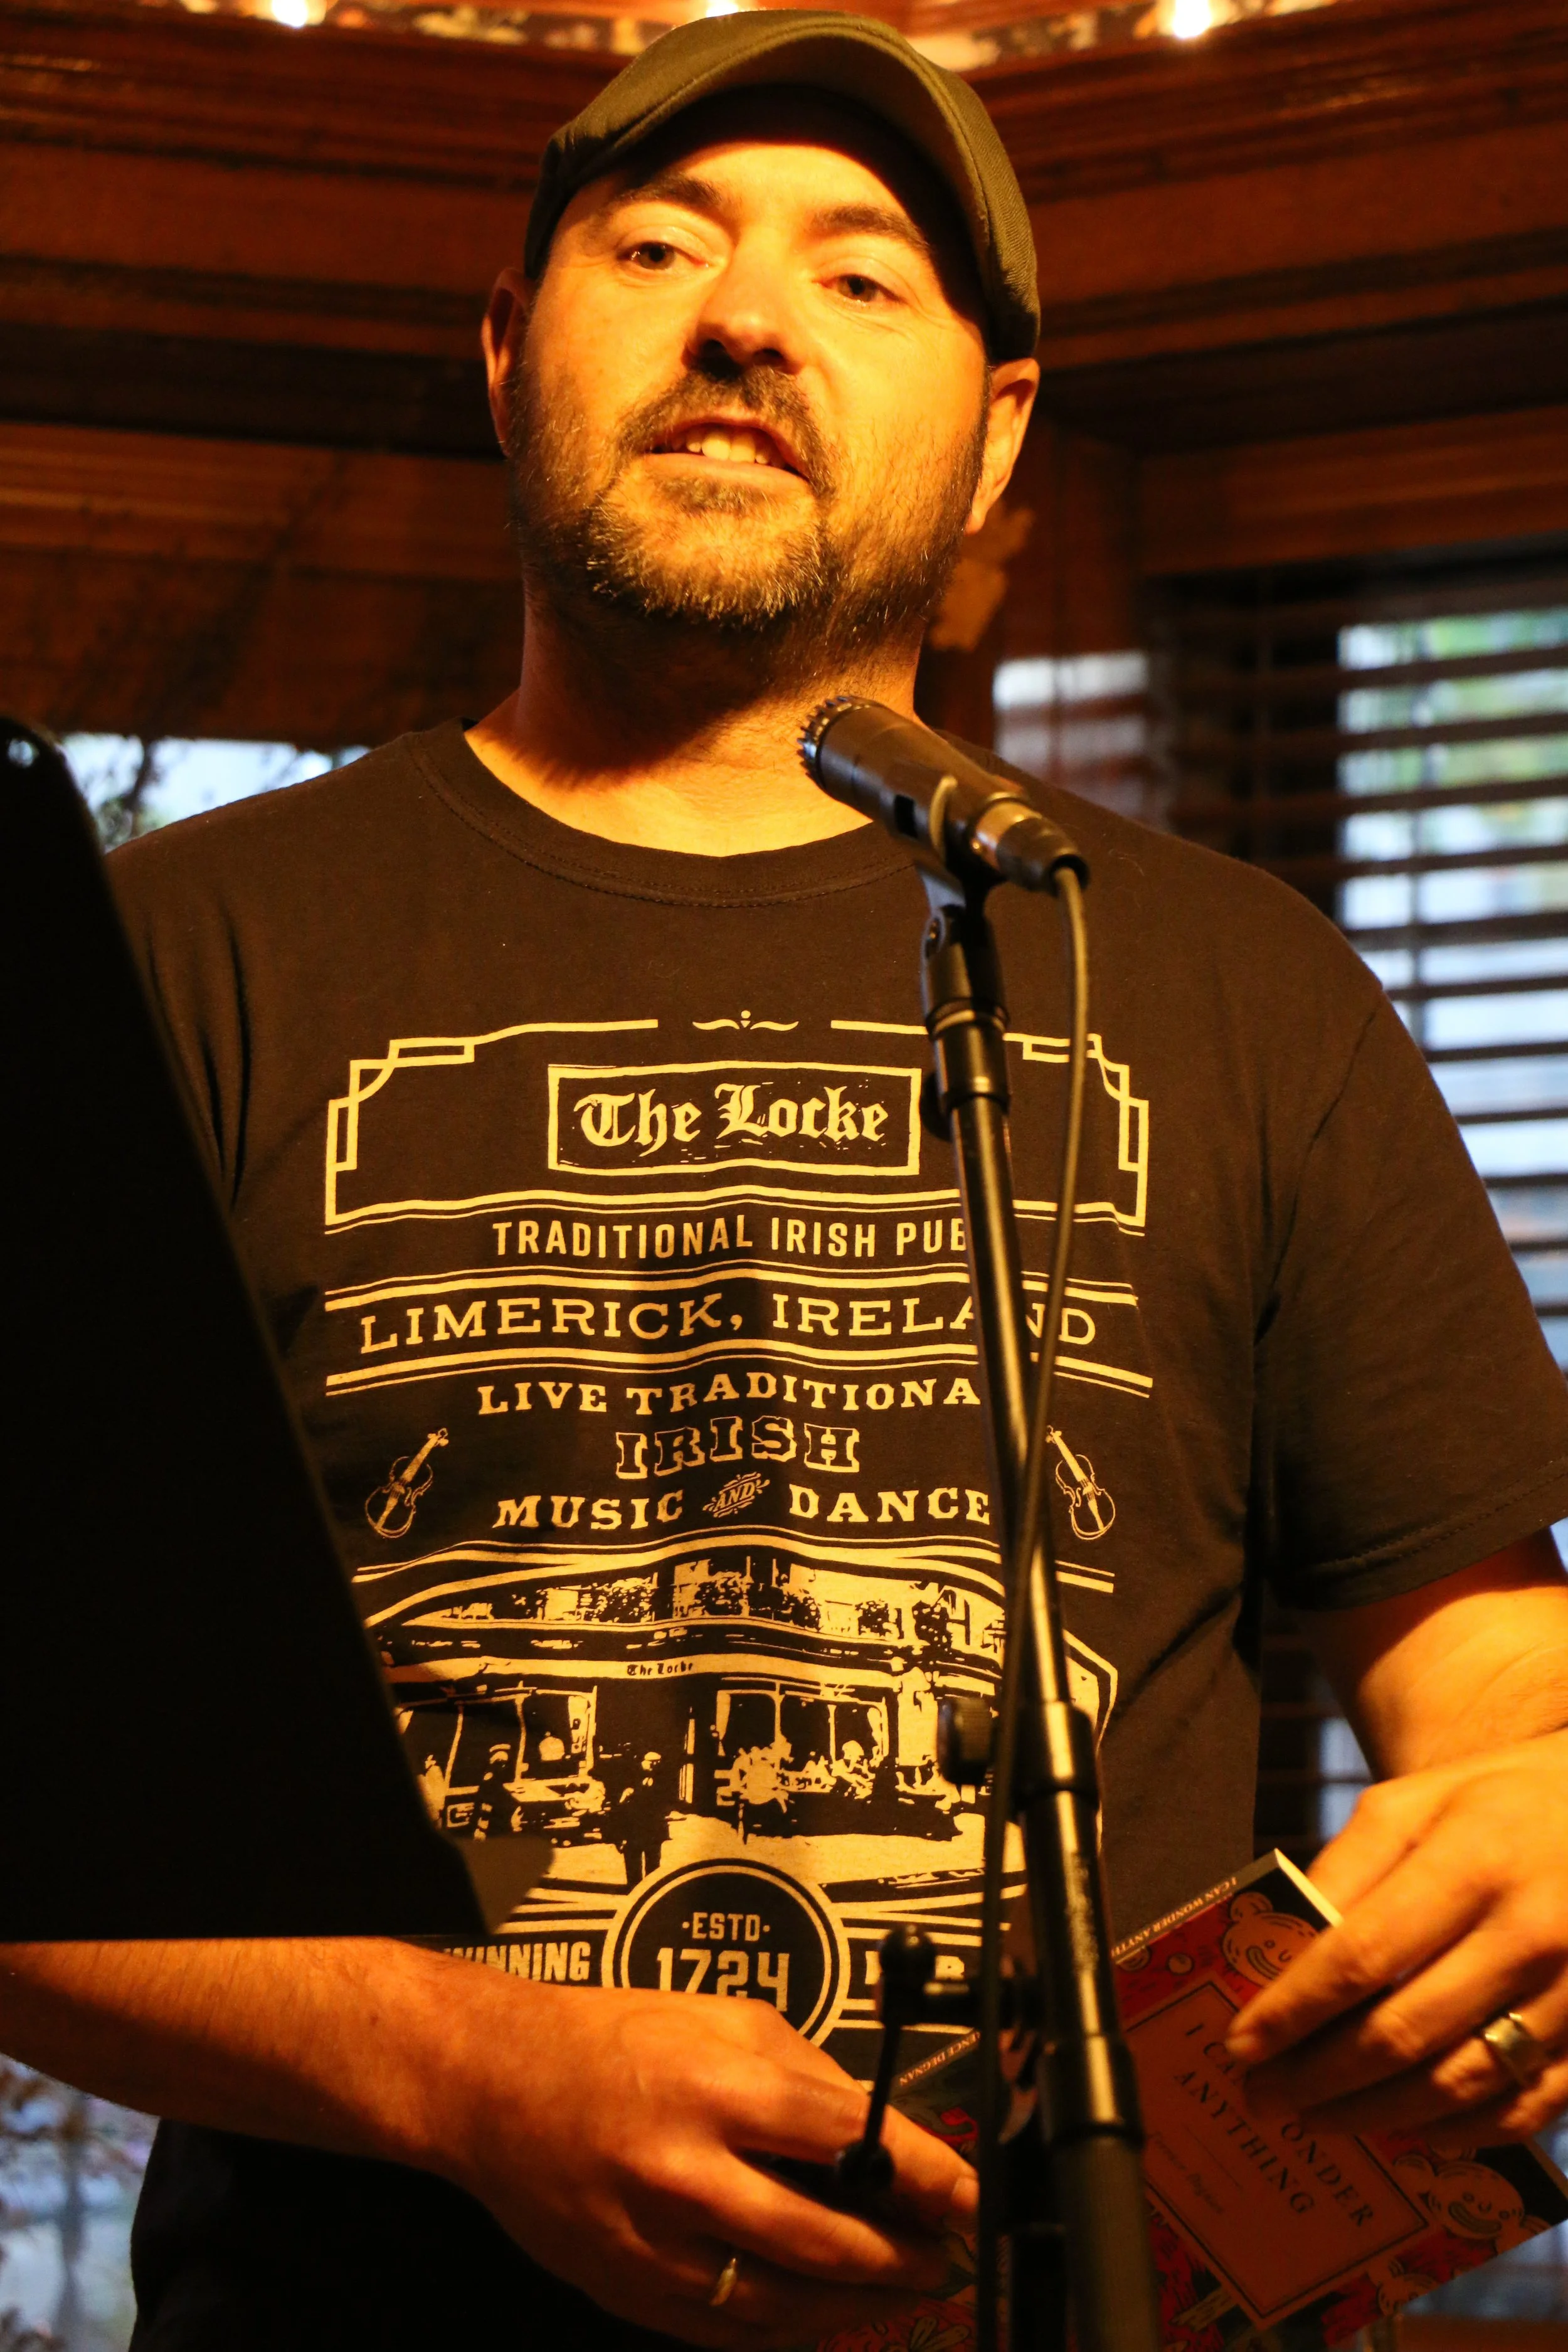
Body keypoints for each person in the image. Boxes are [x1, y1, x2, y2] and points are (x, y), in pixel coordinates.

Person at [1, 13, 1566, 2350]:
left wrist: (1541, 1822)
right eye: (658, 248)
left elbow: (1499, 1694)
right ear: (509, 350)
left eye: (857, 275)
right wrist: (454, 2065)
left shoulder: (1242, 983)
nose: (745, 317)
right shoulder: (163, 955)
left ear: (997, 425)